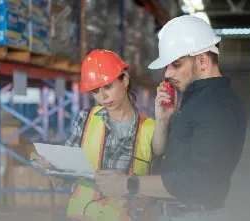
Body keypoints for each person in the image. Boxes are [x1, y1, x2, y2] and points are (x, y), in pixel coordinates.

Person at [94, 15, 247, 221]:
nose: (167, 73)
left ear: (202, 61)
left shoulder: (217, 105)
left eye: (176, 64)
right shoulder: (196, 98)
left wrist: (130, 184)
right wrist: (164, 120)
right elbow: (173, 159)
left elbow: (204, 180)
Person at [30, 49, 157, 221]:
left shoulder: (151, 129)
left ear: (125, 80)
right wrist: (51, 167)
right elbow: (65, 177)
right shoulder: (86, 119)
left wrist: (133, 199)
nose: (103, 97)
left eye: (108, 86)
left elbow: (160, 188)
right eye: (96, 91)